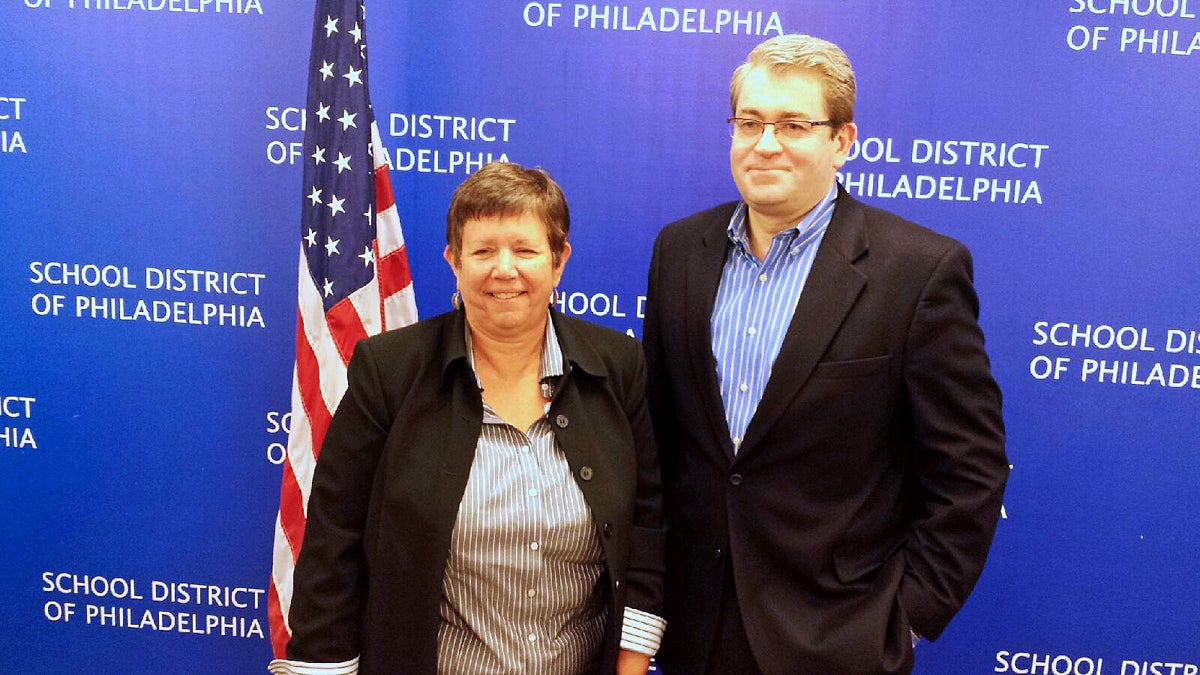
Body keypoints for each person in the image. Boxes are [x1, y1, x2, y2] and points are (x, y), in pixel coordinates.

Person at [642, 34, 1008, 675]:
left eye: (793, 125)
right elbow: (662, 442)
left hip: (838, 636)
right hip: (693, 627)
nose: (766, 144)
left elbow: (970, 471)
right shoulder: (679, 252)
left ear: (842, 141)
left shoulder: (919, 272)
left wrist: (904, 618)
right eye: (749, 122)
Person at [270, 162, 666, 675]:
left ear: (559, 261)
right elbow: (333, 546)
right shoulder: (390, 372)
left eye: (525, 250)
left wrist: (630, 669)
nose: (505, 269)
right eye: (482, 251)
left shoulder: (617, 367)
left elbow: (646, 528)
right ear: (453, 261)